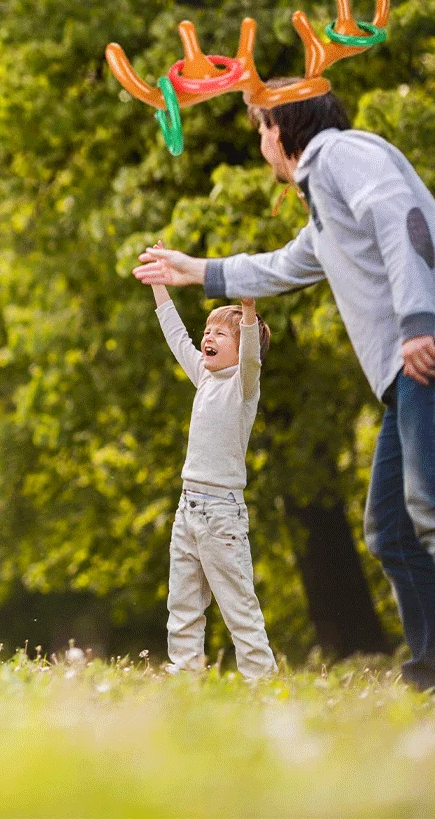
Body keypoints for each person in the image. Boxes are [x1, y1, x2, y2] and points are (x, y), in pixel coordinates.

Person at [133, 82, 435, 690]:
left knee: (432, 510)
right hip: (404, 376)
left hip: (429, 348)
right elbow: (282, 266)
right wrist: (194, 271)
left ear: (281, 128)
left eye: (259, 130)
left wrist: (415, 320)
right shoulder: (326, 204)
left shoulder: (341, 154)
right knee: (391, 527)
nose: (259, 144)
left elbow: (400, 217)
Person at [148, 249, 276, 678]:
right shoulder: (203, 376)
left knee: (239, 603)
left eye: (222, 334)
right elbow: (176, 337)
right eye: (208, 331)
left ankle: (263, 682)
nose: (209, 337)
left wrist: (248, 309)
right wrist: (160, 287)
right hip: (188, 508)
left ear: (240, 348)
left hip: (222, 513)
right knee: (182, 602)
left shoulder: (243, 385)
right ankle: (186, 676)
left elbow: (252, 356)